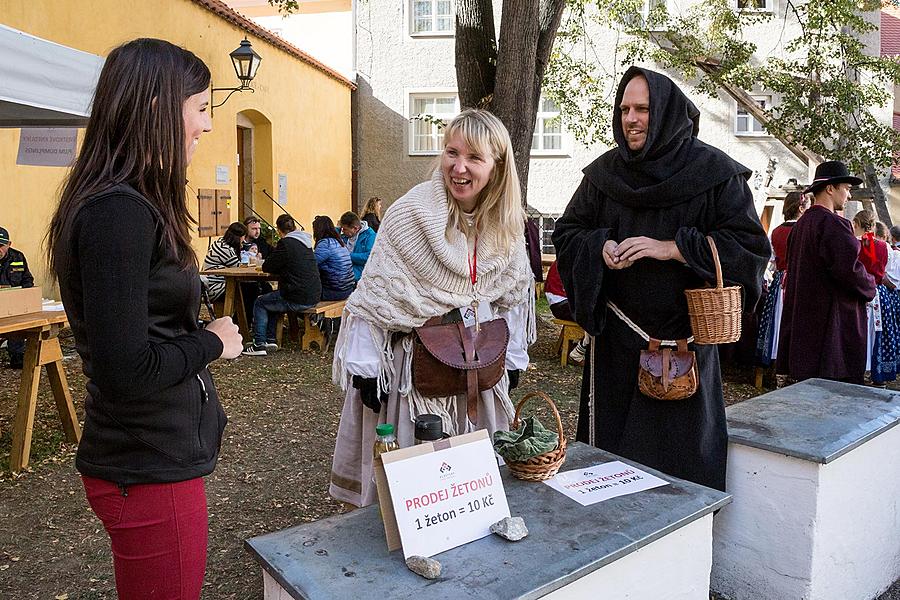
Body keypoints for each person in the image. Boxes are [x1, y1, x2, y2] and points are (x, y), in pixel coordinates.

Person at [45, 38, 243, 599]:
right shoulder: (118, 214)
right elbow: (126, 369)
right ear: (157, 108)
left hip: (150, 459)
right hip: (146, 468)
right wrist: (211, 343)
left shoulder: (126, 205)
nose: (206, 126)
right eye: (201, 108)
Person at [552, 67, 769, 491]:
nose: (630, 118)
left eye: (643, 109)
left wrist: (674, 247)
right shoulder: (604, 176)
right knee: (611, 469)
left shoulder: (716, 175)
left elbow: (750, 248)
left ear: (666, 113)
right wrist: (599, 247)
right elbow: (568, 232)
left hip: (686, 344)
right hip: (616, 347)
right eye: (624, 109)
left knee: (681, 469)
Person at [329, 109, 535, 507]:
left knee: (475, 486)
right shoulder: (410, 216)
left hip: (478, 366)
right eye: (451, 153)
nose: (459, 168)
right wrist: (367, 371)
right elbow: (375, 298)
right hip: (417, 371)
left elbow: (511, 298)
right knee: (416, 484)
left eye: (474, 158)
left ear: (497, 166)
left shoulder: (506, 226)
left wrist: (512, 360)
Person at [777, 161, 876, 384]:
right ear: (830, 188)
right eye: (847, 189)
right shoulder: (832, 224)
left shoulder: (801, 226)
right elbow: (849, 271)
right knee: (834, 398)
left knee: (810, 392)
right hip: (831, 330)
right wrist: (871, 286)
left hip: (806, 325)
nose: (849, 196)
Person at [242, 214, 322, 356]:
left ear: (279, 230)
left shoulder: (286, 243)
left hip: (298, 296)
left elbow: (268, 266)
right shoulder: (305, 242)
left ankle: (259, 344)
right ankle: (271, 339)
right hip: (313, 294)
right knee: (272, 301)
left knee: (261, 302)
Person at [755, 191, 809, 367]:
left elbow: (771, 260)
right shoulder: (804, 231)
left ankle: (775, 362)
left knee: (777, 321)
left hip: (779, 283)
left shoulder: (776, 231)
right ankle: (793, 364)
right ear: (801, 208)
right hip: (799, 283)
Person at [852, 210, 898, 384]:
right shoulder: (883, 246)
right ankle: (875, 373)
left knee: (860, 332)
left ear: (856, 223)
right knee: (878, 332)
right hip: (879, 294)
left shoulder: (853, 244)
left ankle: (859, 370)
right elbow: (885, 272)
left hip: (858, 293)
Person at [0, 226, 35, 369]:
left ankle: (18, 356)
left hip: (14, 305)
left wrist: (23, 295)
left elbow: (27, 280)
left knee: (20, 324)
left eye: (1, 246)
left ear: (9, 244)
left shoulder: (18, 257)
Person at [544, 259, 589, 365]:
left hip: (561, 301)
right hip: (561, 302)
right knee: (597, 316)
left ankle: (579, 347)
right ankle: (579, 352)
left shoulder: (573, 253)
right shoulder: (574, 256)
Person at [312, 215, 356, 301]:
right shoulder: (339, 242)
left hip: (334, 292)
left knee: (297, 295)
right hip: (348, 289)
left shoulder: (325, 244)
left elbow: (310, 264)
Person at [202, 221, 247, 301]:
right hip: (215, 288)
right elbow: (239, 269)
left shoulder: (221, 243)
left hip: (212, 284)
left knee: (252, 287)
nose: (244, 240)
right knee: (250, 288)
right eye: (243, 237)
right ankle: (244, 313)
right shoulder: (225, 249)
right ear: (239, 237)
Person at [339, 211, 376, 281]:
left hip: (359, 278)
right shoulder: (344, 234)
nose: (342, 231)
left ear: (355, 228)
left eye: (345, 229)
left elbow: (369, 257)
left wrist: (347, 256)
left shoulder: (370, 236)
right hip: (345, 276)